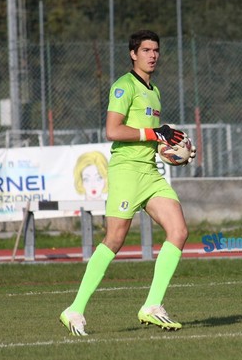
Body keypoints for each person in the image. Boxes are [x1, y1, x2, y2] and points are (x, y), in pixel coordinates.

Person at [60, 29, 195, 335]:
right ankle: (75, 309)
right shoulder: (124, 86)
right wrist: (155, 134)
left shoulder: (155, 91)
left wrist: (173, 151)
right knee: (115, 239)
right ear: (133, 54)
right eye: (146, 50)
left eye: (156, 50)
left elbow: (154, 138)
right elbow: (113, 130)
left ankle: (152, 305)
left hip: (149, 170)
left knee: (179, 231)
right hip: (126, 171)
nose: (153, 55)